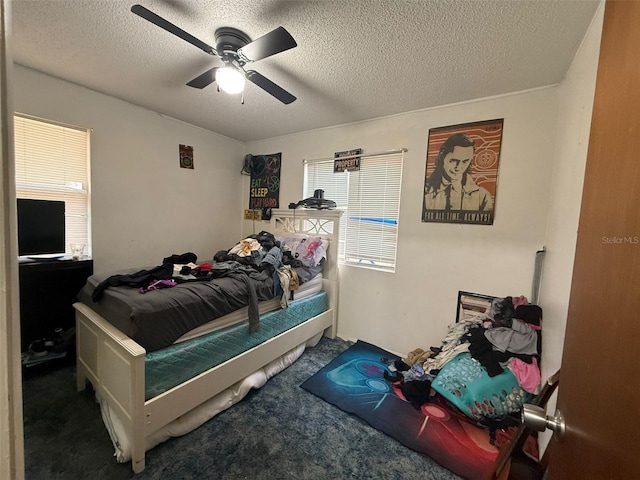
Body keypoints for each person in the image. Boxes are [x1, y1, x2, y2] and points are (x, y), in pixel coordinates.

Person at [423, 132, 493, 211]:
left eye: (465, 161)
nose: (459, 167)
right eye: (453, 160)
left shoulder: (482, 196)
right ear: (442, 157)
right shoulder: (424, 191)